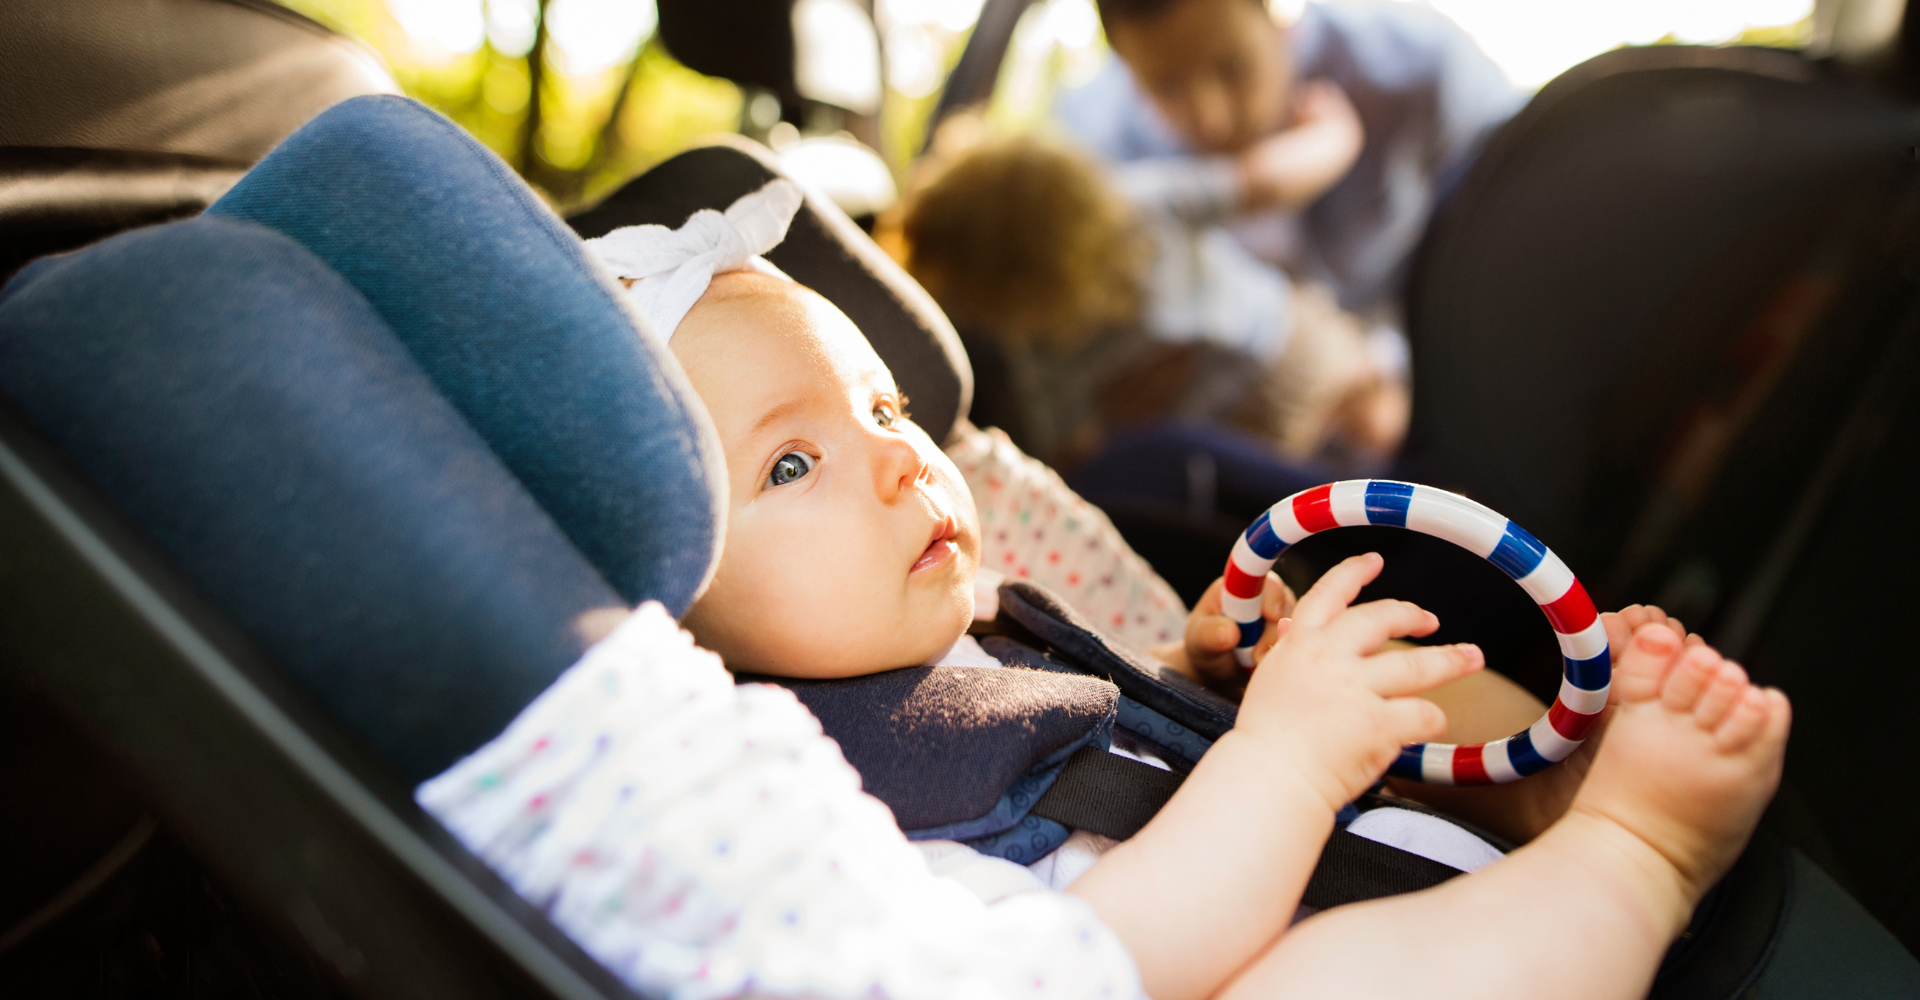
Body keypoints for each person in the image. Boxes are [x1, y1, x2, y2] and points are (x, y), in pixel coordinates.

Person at [558, 179, 1793, 1000]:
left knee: (1375, 659)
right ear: (669, 598)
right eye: (791, 462)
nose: (899, 458)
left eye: (885, 407)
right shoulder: (810, 798)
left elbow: (1125, 758)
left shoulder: (990, 622)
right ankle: (1642, 850)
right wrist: (1288, 761)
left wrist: (1207, 685)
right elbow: (1093, 959)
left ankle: (1549, 775)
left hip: (1391, 876)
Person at [1056, 0, 1525, 385]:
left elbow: (1526, 236)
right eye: (1165, 86)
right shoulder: (1091, 155)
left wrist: (1394, 373)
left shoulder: (1417, 68)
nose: (1210, 117)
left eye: (1231, 67)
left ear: (1278, 14)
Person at [895, 127, 1405, 469]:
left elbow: (1065, 449)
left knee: (1341, 457)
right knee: (1382, 431)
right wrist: (1334, 132)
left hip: (1247, 411)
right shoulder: (1136, 206)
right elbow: (1263, 179)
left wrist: (1110, 424)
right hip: (1278, 356)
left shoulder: (1039, 340)